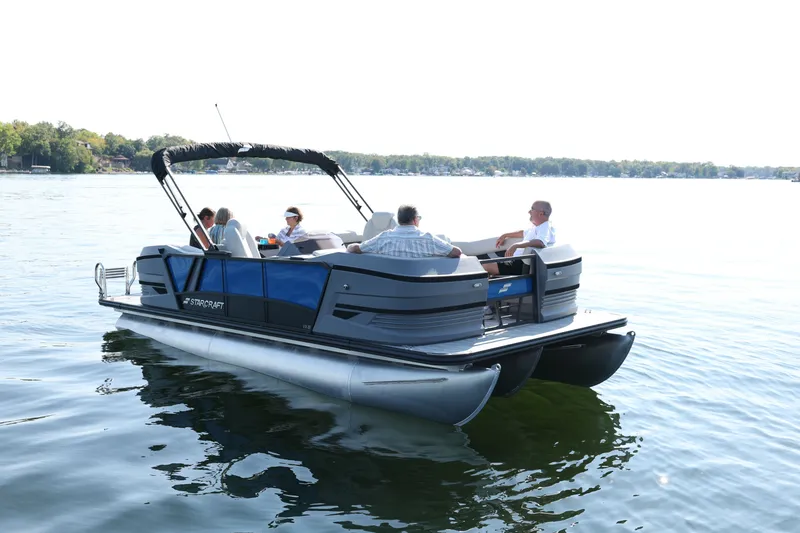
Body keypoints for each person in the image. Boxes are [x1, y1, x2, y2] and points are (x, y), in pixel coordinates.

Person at [347, 204, 462, 258]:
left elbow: (357, 248)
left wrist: (349, 246)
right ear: (415, 220)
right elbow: (456, 252)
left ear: (399, 220)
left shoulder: (383, 238)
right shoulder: (428, 239)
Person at [484, 200, 556, 275]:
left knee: (483, 266)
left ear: (541, 213)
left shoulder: (545, 227)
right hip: (515, 261)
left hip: (517, 266)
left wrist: (516, 245)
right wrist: (505, 235)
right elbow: (522, 233)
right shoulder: (537, 227)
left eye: (532, 209)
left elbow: (540, 242)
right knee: (483, 262)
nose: (529, 212)